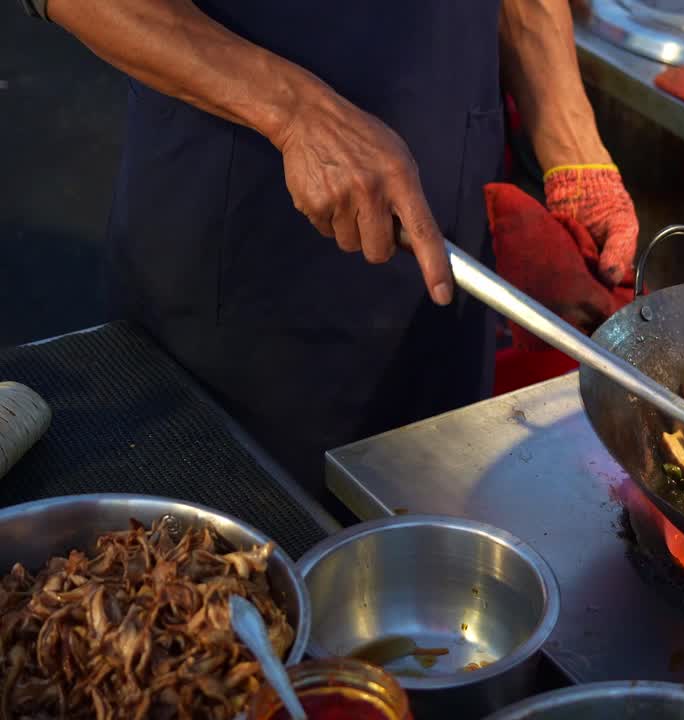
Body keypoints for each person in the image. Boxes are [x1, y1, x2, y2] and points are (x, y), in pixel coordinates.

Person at [22, 0, 638, 510]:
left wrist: (569, 142)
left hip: (447, 221)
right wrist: (294, 112)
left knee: (426, 576)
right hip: (246, 224)